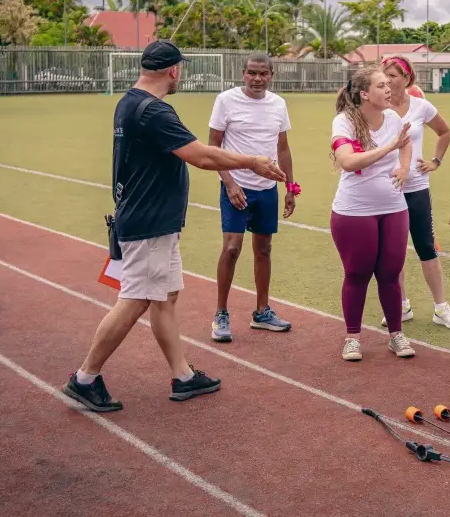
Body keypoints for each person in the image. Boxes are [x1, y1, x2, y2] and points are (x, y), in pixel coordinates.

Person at [62, 40, 287, 413]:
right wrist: (251, 161)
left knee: (165, 297)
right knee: (134, 300)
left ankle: (183, 376)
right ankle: (85, 377)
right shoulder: (154, 111)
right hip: (148, 222)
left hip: (152, 219)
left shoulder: (129, 102)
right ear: (173, 70)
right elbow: (201, 154)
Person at [329, 66, 416, 362]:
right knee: (357, 273)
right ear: (365, 94)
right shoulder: (344, 122)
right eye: (381, 85)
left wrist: (404, 166)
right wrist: (389, 146)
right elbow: (348, 162)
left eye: (388, 83)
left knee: (391, 274)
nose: (389, 88)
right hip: (354, 211)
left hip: (393, 208)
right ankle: (352, 337)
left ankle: (396, 335)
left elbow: (406, 144)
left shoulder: (392, 117)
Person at [208, 53, 295, 342]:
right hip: (237, 186)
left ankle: (262, 312)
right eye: (252, 73)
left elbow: (282, 149)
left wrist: (289, 187)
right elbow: (213, 146)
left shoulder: (278, 104)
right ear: (243, 73)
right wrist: (230, 183)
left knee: (264, 249)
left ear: (271, 75)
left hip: (267, 189)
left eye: (264, 74)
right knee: (232, 248)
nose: (258, 79)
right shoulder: (226, 100)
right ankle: (221, 313)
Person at [380, 55, 450, 329]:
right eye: (385, 75)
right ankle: (400, 305)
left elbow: (445, 132)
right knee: (392, 252)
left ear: (407, 78)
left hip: (416, 187)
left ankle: (441, 308)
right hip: (386, 189)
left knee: (426, 247)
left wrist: (435, 161)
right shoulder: (376, 105)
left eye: (393, 75)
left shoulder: (421, 106)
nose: (389, 81)